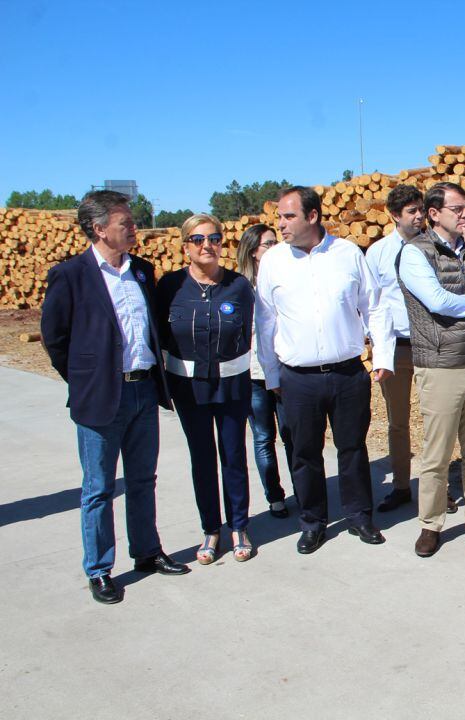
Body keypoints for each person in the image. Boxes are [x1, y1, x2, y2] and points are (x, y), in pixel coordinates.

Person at [40, 190, 190, 604]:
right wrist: (84, 380)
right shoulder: (71, 275)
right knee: (99, 487)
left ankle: (146, 552)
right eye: (126, 223)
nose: (134, 228)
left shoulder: (142, 271)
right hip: (100, 398)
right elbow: (55, 338)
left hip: (143, 390)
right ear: (99, 228)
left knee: (143, 479)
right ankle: (100, 569)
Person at [255, 185, 392, 554]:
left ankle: (359, 516)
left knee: (352, 449)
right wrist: (272, 376)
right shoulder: (273, 262)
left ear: (312, 216)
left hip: (348, 374)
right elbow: (264, 322)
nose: (281, 225)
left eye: (288, 217)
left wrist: (382, 357)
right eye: (280, 218)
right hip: (297, 379)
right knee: (304, 453)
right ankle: (313, 522)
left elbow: (375, 306)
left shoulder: (347, 254)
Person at [396, 181, 465, 558]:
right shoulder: (414, 253)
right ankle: (431, 524)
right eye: (458, 209)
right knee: (437, 453)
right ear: (434, 213)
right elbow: (438, 301)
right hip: (441, 364)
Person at [158, 214, 256, 563]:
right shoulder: (169, 287)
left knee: (233, 456)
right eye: (198, 240)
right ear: (185, 246)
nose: (207, 246)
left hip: (231, 385)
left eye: (214, 238)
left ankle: (239, 526)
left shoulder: (239, 286)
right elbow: (161, 338)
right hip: (189, 389)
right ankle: (211, 530)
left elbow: (247, 334)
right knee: (202, 458)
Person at [364, 184, 434, 513]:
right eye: (412, 211)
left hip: (431, 345)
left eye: (421, 209)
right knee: (397, 422)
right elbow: (370, 303)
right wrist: (378, 348)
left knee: (437, 419)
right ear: (395, 215)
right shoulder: (377, 253)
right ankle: (402, 485)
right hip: (395, 347)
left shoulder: (436, 246)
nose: (419, 216)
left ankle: (438, 488)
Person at [237, 223, 293, 519]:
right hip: (253, 374)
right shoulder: (240, 287)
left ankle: (304, 491)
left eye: (276, 242)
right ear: (253, 252)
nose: (275, 247)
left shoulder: (285, 279)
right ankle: (275, 496)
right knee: (263, 437)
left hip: (284, 370)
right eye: (268, 244)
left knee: (292, 434)